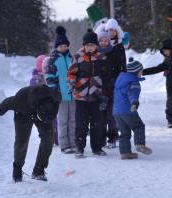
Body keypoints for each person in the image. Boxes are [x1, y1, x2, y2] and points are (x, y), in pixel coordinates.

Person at [0, 85, 61, 182]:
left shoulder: (55, 98)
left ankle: (39, 170)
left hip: (45, 111)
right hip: (23, 113)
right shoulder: (20, 101)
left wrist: (48, 119)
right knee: (22, 141)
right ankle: (17, 169)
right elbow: (8, 102)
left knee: (48, 139)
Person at [67, 29, 108, 158]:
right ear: (84, 45)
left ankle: (97, 147)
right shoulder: (77, 57)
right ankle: (79, 148)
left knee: (97, 123)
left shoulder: (102, 57)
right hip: (81, 95)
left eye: (93, 45)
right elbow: (71, 73)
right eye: (88, 45)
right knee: (81, 123)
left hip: (97, 95)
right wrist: (72, 83)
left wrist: (105, 91)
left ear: (96, 45)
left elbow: (106, 75)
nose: (90, 47)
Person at [113, 58, 152, 160]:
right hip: (128, 110)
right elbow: (132, 93)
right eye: (140, 71)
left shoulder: (120, 80)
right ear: (136, 72)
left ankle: (125, 153)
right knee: (138, 126)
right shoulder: (133, 82)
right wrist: (134, 102)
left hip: (117, 112)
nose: (141, 73)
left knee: (124, 132)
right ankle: (139, 144)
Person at [46, 26, 75, 154]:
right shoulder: (53, 60)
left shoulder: (72, 58)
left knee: (73, 120)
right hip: (61, 95)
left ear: (68, 46)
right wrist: (54, 91)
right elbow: (49, 76)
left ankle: (73, 142)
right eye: (60, 46)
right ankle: (64, 144)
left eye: (65, 45)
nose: (63, 48)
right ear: (56, 47)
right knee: (63, 120)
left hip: (73, 94)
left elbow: (76, 73)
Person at [95, 25, 124, 148]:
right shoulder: (95, 53)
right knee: (100, 115)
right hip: (98, 88)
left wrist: (115, 81)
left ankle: (112, 137)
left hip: (112, 87)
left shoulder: (114, 52)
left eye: (106, 40)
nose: (104, 42)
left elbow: (119, 68)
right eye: (101, 40)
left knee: (111, 114)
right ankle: (101, 139)